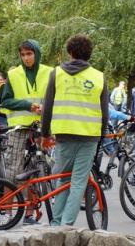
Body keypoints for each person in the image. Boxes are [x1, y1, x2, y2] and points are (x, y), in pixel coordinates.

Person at [41, 34, 109, 226]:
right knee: (79, 182)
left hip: (63, 135)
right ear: (89, 54)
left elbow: (47, 107)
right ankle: (67, 225)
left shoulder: (56, 73)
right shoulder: (99, 77)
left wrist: (44, 133)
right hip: (89, 136)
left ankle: (55, 224)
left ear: (70, 52)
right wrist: (101, 137)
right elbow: (104, 113)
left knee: (62, 180)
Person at [0, 39, 52, 225]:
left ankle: (30, 213)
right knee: (13, 171)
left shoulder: (50, 72)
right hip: (19, 129)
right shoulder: (13, 74)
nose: (26, 58)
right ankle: (7, 211)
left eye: (29, 54)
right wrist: (28, 106)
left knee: (34, 173)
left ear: (37, 54)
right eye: (23, 54)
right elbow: (4, 101)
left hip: (40, 129)